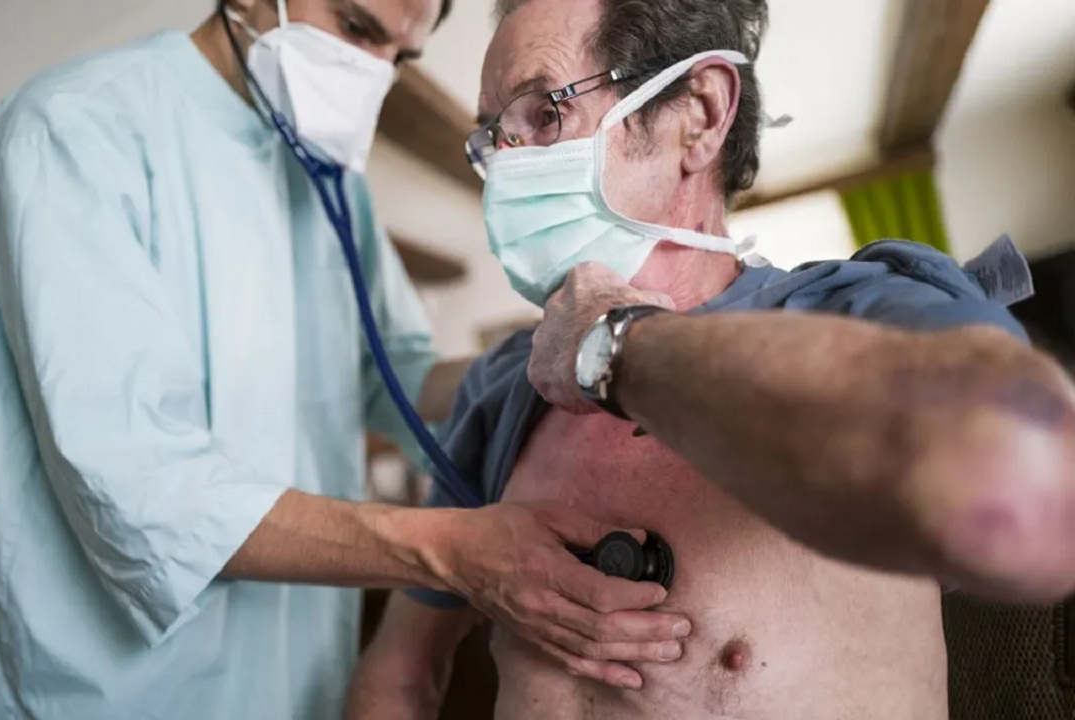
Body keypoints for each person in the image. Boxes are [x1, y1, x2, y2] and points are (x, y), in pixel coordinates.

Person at [0, 0, 697, 718]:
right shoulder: (75, 129)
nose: (375, 72)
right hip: (105, 690)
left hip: (290, 675)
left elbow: (397, 376)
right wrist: (453, 549)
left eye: (401, 55)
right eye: (356, 27)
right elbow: (137, 484)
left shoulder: (330, 187)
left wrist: (562, 351)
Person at [346, 0, 1075, 717]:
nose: (505, 164)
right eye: (493, 135)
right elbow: (401, 675)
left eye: (543, 113)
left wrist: (616, 343)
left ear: (697, 115)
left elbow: (1028, 483)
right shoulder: (508, 387)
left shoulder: (857, 311)